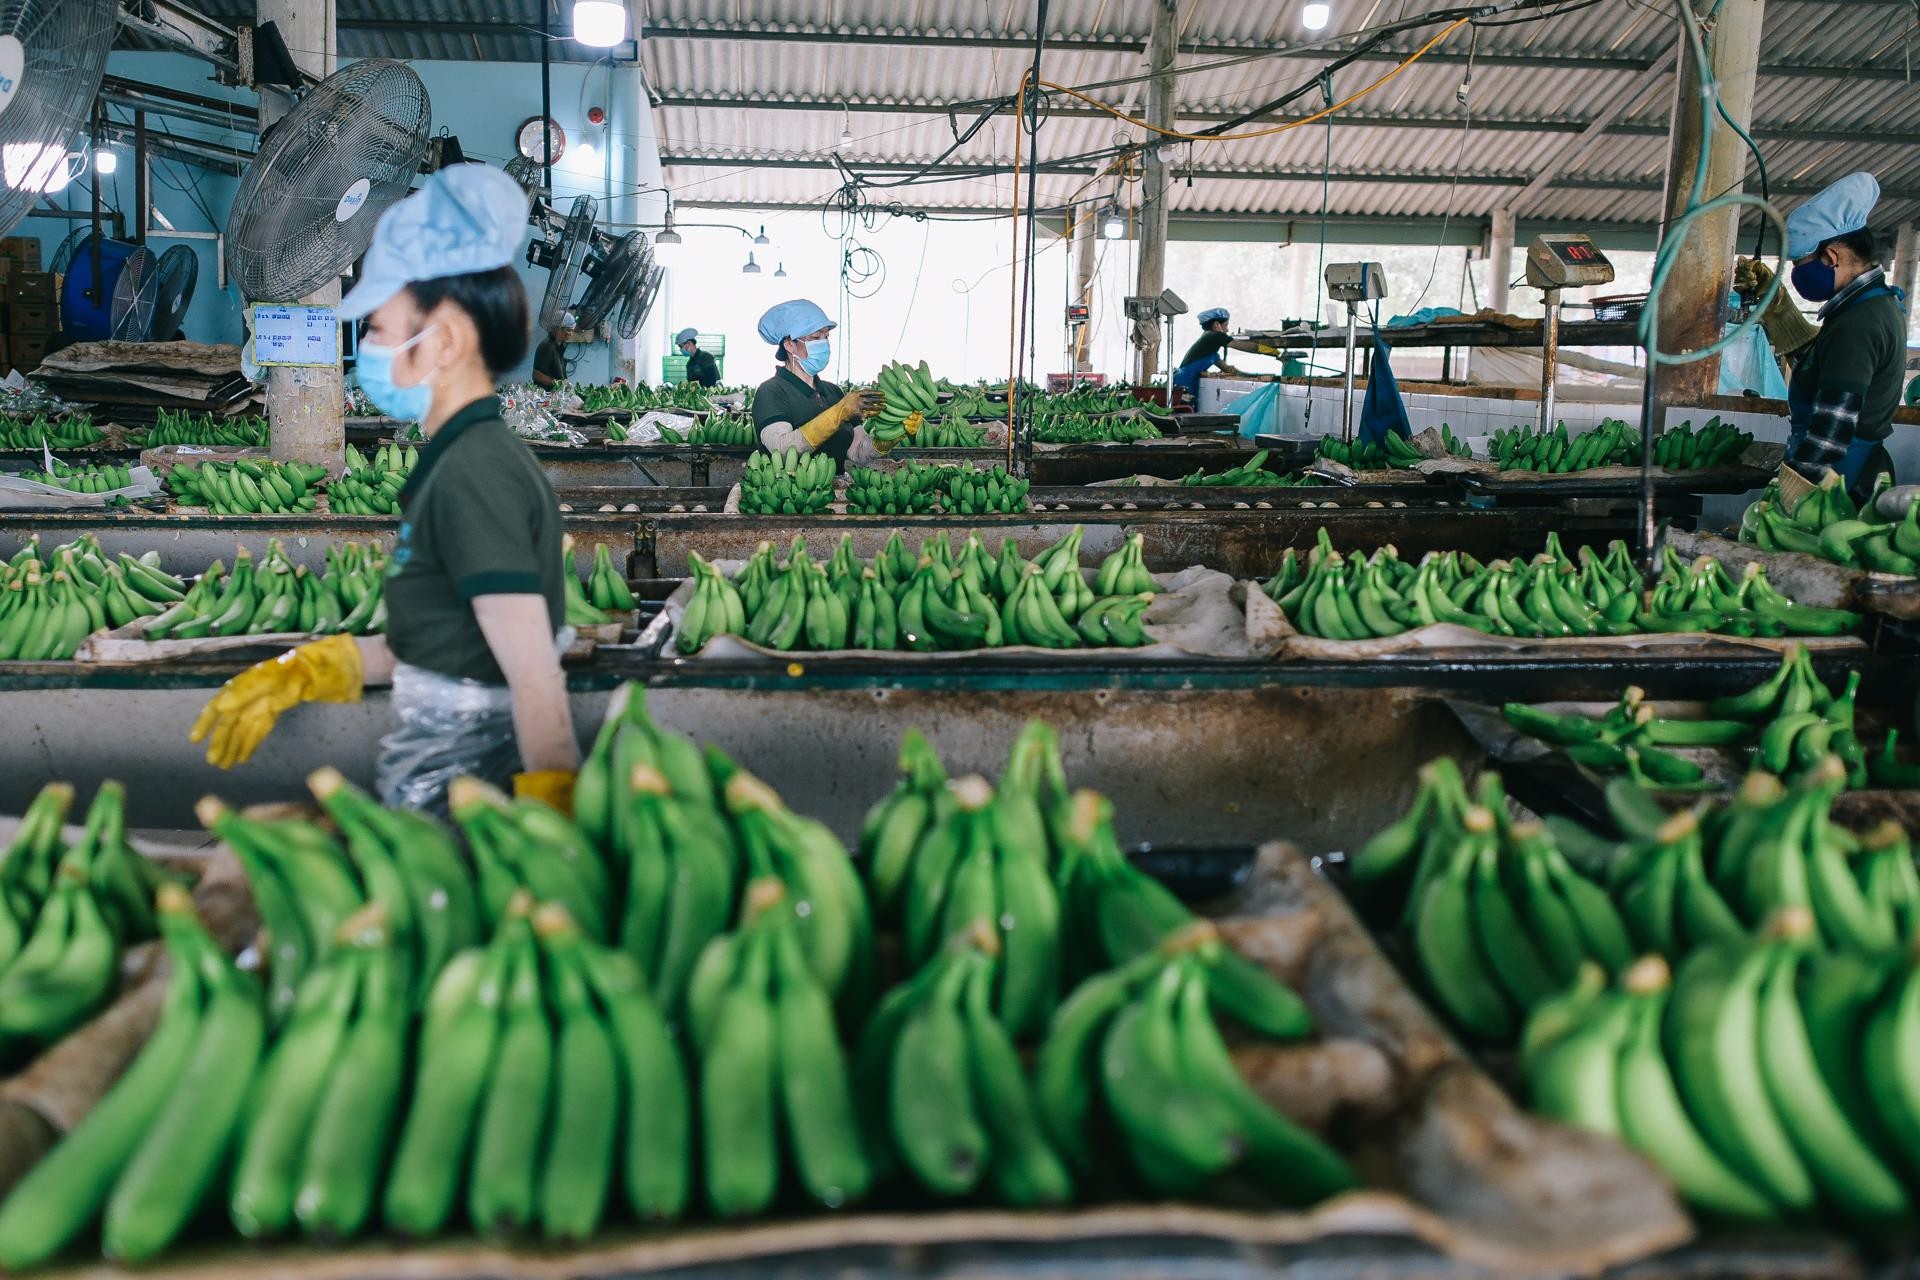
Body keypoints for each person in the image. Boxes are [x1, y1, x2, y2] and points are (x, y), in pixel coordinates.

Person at [190, 165, 579, 816]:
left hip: (473, 804)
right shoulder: (458, 460)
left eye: (379, 330)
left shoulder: (475, 474)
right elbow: (447, 644)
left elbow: (533, 672)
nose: (367, 348)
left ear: (444, 341)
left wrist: (552, 821)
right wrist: (310, 668)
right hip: (442, 786)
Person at [1738, 171, 1904, 502]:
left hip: (1836, 483)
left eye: (1801, 265)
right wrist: (1778, 309)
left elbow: (1831, 434)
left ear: (1831, 257)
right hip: (1845, 471)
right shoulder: (1871, 305)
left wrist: (1788, 496)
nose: (1798, 274)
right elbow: (1826, 365)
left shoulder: (1858, 323)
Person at [750, 298, 913, 469]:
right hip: (789, 486)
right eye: (815, 337)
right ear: (790, 345)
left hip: (834, 485)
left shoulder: (833, 392)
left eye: (826, 336)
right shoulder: (771, 392)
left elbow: (858, 452)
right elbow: (782, 450)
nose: (824, 343)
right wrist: (839, 413)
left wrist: (891, 437)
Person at [1171, 307, 1280, 403]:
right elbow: (1243, 346)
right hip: (1185, 381)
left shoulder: (1208, 343)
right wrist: (1273, 351)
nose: (1227, 329)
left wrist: (1251, 376)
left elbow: (1225, 367)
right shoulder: (1214, 335)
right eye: (1226, 325)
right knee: (1185, 410)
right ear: (1216, 325)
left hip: (1184, 378)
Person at [531, 321, 570, 389]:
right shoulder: (547, 346)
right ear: (558, 330)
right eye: (568, 330)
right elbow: (536, 375)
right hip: (545, 393)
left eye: (572, 330)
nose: (570, 334)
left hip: (557, 392)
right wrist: (557, 383)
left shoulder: (558, 346)